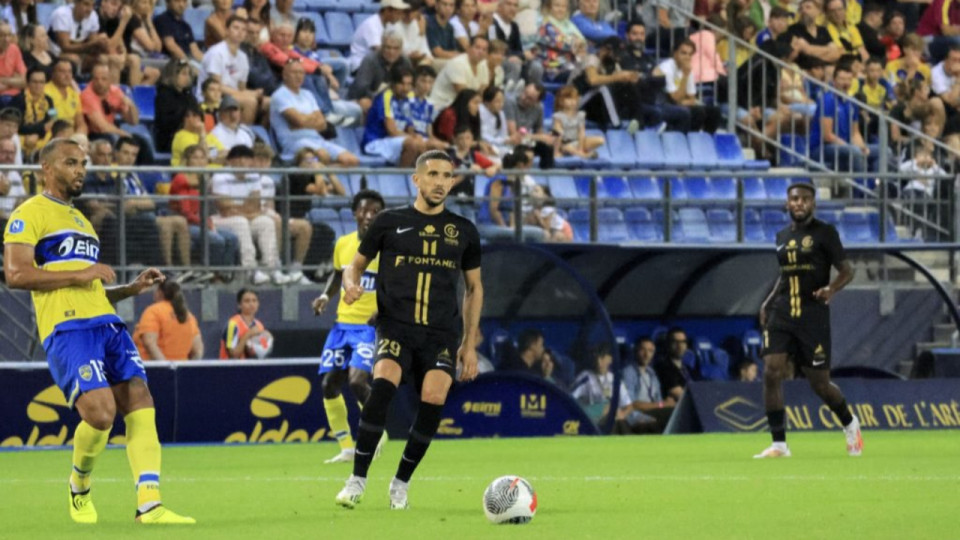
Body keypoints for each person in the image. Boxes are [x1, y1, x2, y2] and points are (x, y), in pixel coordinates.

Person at [2, 138, 195, 524]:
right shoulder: (29, 214)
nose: (80, 170)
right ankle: (79, 484)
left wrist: (128, 289)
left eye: (83, 164)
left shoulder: (81, 220)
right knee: (102, 415)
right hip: (67, 329)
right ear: (46, 168)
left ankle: (149, 505)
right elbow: (16, 274)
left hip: (106, 323)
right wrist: (82, 272)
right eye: (71, 163)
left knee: (141, 401)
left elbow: (88, 286)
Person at [334, 150, 483, 510]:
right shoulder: (388, 221)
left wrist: (469, 344)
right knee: (382, 385)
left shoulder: (464, 231)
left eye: (447, 175)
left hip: (440, 334)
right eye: (432, 174)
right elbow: (352, 267)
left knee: (433, 399)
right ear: (416, 179)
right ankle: (357, 479)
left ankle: (400, 482)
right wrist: (350, 284)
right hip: (395, 326)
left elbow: (475, 289)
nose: (440, 182)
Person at [755, 182, 861, 459]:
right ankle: (779, 444)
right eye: (794, 199)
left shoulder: (825, 233)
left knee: (820, 384)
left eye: (804, 199)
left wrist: (831, 289)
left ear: (813, 203)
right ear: (787, 203)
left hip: (813, 315)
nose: (799, 203)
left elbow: (847, 271)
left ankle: (850, 424)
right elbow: (786, 274)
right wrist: (767, 302)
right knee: (771, 371)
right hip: (782, 312)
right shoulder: (780, 235)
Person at [312, 189, 386, 464]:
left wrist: (382, 309)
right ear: (355, 213)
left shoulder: (387, 248)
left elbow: (397, 285)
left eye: (375, 212)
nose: (368, 216)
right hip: (342, 325)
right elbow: (336, 274)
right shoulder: (343, 244)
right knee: (330, 384)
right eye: (364, 210)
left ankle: (377, 432)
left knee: (357, 381)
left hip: (368, 328)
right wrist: (324, 296)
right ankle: (346, 446)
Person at [210, 144, 290, 285]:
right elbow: (223, 206)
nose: (242, 162)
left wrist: (237, 207)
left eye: (246, 158)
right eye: (237, 159)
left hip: (244, 217)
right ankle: (251, 270)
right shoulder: (220, 176)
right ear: (229, 162)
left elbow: (255, 204)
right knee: (241, 222)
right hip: (219, 220)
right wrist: (245, 208)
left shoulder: (253, 176)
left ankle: (271, 269)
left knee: (266, 222)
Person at [269, 59, 359, 166]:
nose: (298, 76)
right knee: (322, 155)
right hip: (295, 143)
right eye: (294, 73)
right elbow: (299, 121)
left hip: (316, 139)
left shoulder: (308, 94)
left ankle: (319, 172)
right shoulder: (280, 95)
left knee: (352, 161)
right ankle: (319, 173)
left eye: (301, 73)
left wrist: (302, 121)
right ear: (285, 75)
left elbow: (322, 124)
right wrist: (309, 120)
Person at [362, 64, 429, 166]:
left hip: (397, 140)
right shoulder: (386, 97)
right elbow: (392, 131)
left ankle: (421, 178)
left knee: (433, 145)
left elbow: (410, 126)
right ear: (393, 83)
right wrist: (413, 138)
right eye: (402, 84)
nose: (406, 88)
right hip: (377, 141)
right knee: (412, 144)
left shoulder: (409, 96)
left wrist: (416, 135)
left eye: (409, 84)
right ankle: (402, 178)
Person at [200, 15, 261, 126]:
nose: (240, 32)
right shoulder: (216, 53)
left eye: (243, 30)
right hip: (212, 96)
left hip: (231, 94)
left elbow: (241, 87)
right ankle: (244, 136)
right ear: (227, 30)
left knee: (268, 102)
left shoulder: (243, 57)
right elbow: (217, 86)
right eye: (236, 28)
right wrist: (249, 95)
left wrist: (253, 93)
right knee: (250, 102)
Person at [653, 39, 722, 133]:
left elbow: (692, 98)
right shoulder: (667, 68)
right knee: (697, 112)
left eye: (690, 54)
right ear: (675, 53)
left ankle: (707, 141)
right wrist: (685, 75)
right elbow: (675, 98)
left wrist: (684, 101)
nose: (687, 57)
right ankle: (688, 139)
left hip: (679, 103)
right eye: (683, 53)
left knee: (714, 111)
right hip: (664, 103)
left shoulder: (687, 68)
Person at [134, 280, 203, 361]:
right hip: (181, 370)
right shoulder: (188, 316)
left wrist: (165, 368)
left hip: (153, 370)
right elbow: (198, 351)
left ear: (160, 292)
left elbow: (149, 343)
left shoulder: (153, 311)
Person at [348, 29, 414, 114]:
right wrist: (382, 98)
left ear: (401, 49)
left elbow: (410, 85)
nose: (391, 52)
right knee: (365, 103)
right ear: (382, 47)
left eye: (396, 48)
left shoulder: (405, 61)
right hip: (371, 98)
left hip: (397, 98)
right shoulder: (370, 60)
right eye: (388, 47)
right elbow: (361, 89)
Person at [571, 345, 632, 431]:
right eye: (596, 358)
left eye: (602, 358)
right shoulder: (585, 377)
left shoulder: (614, 379)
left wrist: (622, 414)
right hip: (594, 420)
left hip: (613, 420)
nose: (598, 362)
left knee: (619, 422)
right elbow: (570, 398)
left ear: (610, 359)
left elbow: (628, 406)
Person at [621, 336, 674, 433]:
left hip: (652, 411)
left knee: (676, 412)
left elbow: (659, 402)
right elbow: (632, 405)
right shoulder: (629, 372)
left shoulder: (652, 373)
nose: (646, 355)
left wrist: (666, 404)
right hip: (636, 414)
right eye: (643, 350)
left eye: (650, 351)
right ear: (636, 351)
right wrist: (663, 404)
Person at [429, 34, 489, 112]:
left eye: (484, 49)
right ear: (469, 48)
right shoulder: (457, 63)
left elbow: (483, 90)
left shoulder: (483, 64)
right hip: (443, 105)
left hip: (467, 105)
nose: (480, 52)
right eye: (477, 48)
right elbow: (463, 94)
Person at [349, 0, 410, 73]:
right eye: (398, 13)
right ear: (387, 11)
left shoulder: (389, 25)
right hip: (361, 66)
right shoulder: (371, 24)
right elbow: (380, 51)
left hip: (378, 65)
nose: (400, 17)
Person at [505, 82, 556, 169]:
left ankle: (547, 173)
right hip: (510, 140)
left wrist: (545, 138)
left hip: (526, 140)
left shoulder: (539, 108)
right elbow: (513, 134)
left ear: (537, 101)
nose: (524, 98)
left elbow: (540, 132)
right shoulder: (510, 103)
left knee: (547, 147)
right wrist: (539, 137)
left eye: (530, 98)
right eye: (524, 93)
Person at [80, 63, 138, 138]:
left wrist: (131, 106)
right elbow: (102, 127)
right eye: (96, 79)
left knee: (139, 142)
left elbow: (133, 122)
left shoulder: (115, 91)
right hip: (93, 134)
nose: (99, 83)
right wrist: (125, 134)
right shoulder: (87, 95)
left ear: (110, 80)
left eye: (103, 79)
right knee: (116, 139)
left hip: (110, 130)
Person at [46, 0, 108, 69]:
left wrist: (101, 44)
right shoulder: (62, 15)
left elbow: (92, 47)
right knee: (74, 58)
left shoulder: (93, 16)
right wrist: (91, 44)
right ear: (76, 3)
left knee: (102, 59)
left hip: (80, 52)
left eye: (92, 5)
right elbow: (65, 47)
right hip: (55, 52)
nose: (90, 9)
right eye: (86, 4)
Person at [154, 58, 198, 153]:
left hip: (190, 135)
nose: (187, 78)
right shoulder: (163, 95)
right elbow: (165, 123)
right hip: (170, 139)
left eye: (189, 74)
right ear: (173, 74)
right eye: (183, 74)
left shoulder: (188, 95)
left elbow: (198, 114)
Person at [11, 66, 54, 156]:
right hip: (22, 137)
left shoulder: (49, 100)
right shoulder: (18, 100)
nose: (38, 85)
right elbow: (16, 126)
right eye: (35, 82)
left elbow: (53, 120)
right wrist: (40, 129)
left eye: (42, 82)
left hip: (43, 137)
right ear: (27, 83)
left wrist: (38, 134)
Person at [220, 288, 273, 359]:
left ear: (258, 304)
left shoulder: (259, 325)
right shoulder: (232, 324)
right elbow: (233, 355)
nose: (251, 304)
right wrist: (248, 335)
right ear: (239, 305)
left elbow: (261, 351)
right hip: (230, 368)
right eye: (247, 301)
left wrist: (267, 340)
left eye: (254, 301)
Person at [552, 85, 603, 158]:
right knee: (566, 146)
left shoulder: (580, 115)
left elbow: (581, 132)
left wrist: (580, 148)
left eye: (575, 99)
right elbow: (557, 133)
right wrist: (556, 152)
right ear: (561, 101)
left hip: (576, 142)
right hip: (564, 143)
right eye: (569, 99)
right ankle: (584, 155)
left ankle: (578, 152)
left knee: (600, 140)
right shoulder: (558, 116)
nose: (573, 101)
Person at [44, 59, 88, 134]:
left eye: (69, 72)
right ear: (53, 73)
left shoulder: (74, 94)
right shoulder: (45, 92)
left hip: (72, 134)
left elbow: (80, 122)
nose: (67, 75)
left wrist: (80, 134)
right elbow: (53, 121)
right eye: (62, 71)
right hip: (54, 133)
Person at [654, 327, 691, 402]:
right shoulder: (663, 367)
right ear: (668, 344)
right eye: (675, 342)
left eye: (683, 342)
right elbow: (680, 395)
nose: (680, 346)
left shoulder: (688, 368)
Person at [0, 21, 24, 102]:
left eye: (9, 35)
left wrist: (3, 80)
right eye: (1, 35)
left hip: (17, 95)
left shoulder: (14, 49)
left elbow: (24, 81)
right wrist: (14, 81)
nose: (6, 40)